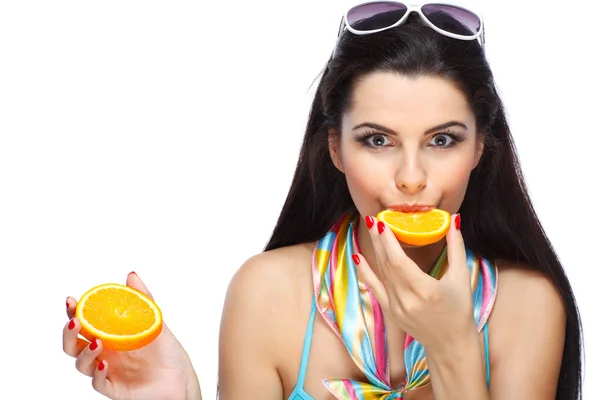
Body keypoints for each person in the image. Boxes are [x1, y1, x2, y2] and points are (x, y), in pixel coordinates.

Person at [62, 2, 583, 399]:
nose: (410, 177)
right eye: (377, 140)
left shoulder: (528, 305)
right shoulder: (266, 292)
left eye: (442, 140)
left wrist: (453, 350)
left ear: (480, 150)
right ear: (335, 148)